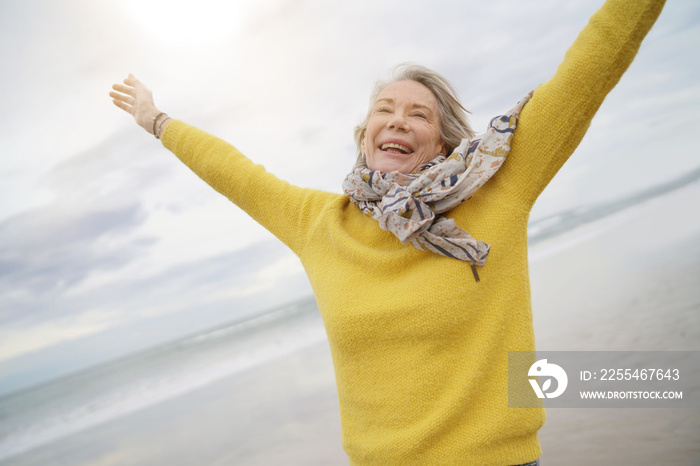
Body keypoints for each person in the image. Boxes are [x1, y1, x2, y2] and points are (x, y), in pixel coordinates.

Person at [110, 0, 665, 463]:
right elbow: (235, 173)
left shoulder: (497, 189)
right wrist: (159, 122)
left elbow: (590, 69)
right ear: (365, 134)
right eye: (385, 109)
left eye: (419, 115)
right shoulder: (319, 224)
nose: (398, 120)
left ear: (444, 141)